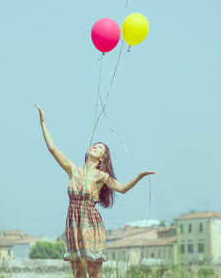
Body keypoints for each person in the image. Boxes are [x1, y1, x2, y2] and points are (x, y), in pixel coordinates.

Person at [35, 104, 155, 278]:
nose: (95, 147)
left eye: (99, 148)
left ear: (102, 158)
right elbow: (52, 149)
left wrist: (139, 177)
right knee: (77, 272)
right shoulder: (73, 169)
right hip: (73, 223)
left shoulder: (102, 176)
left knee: (94, 273)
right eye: (94, 145)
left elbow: (121, 188)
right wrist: (43, 122)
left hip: (91, 225)